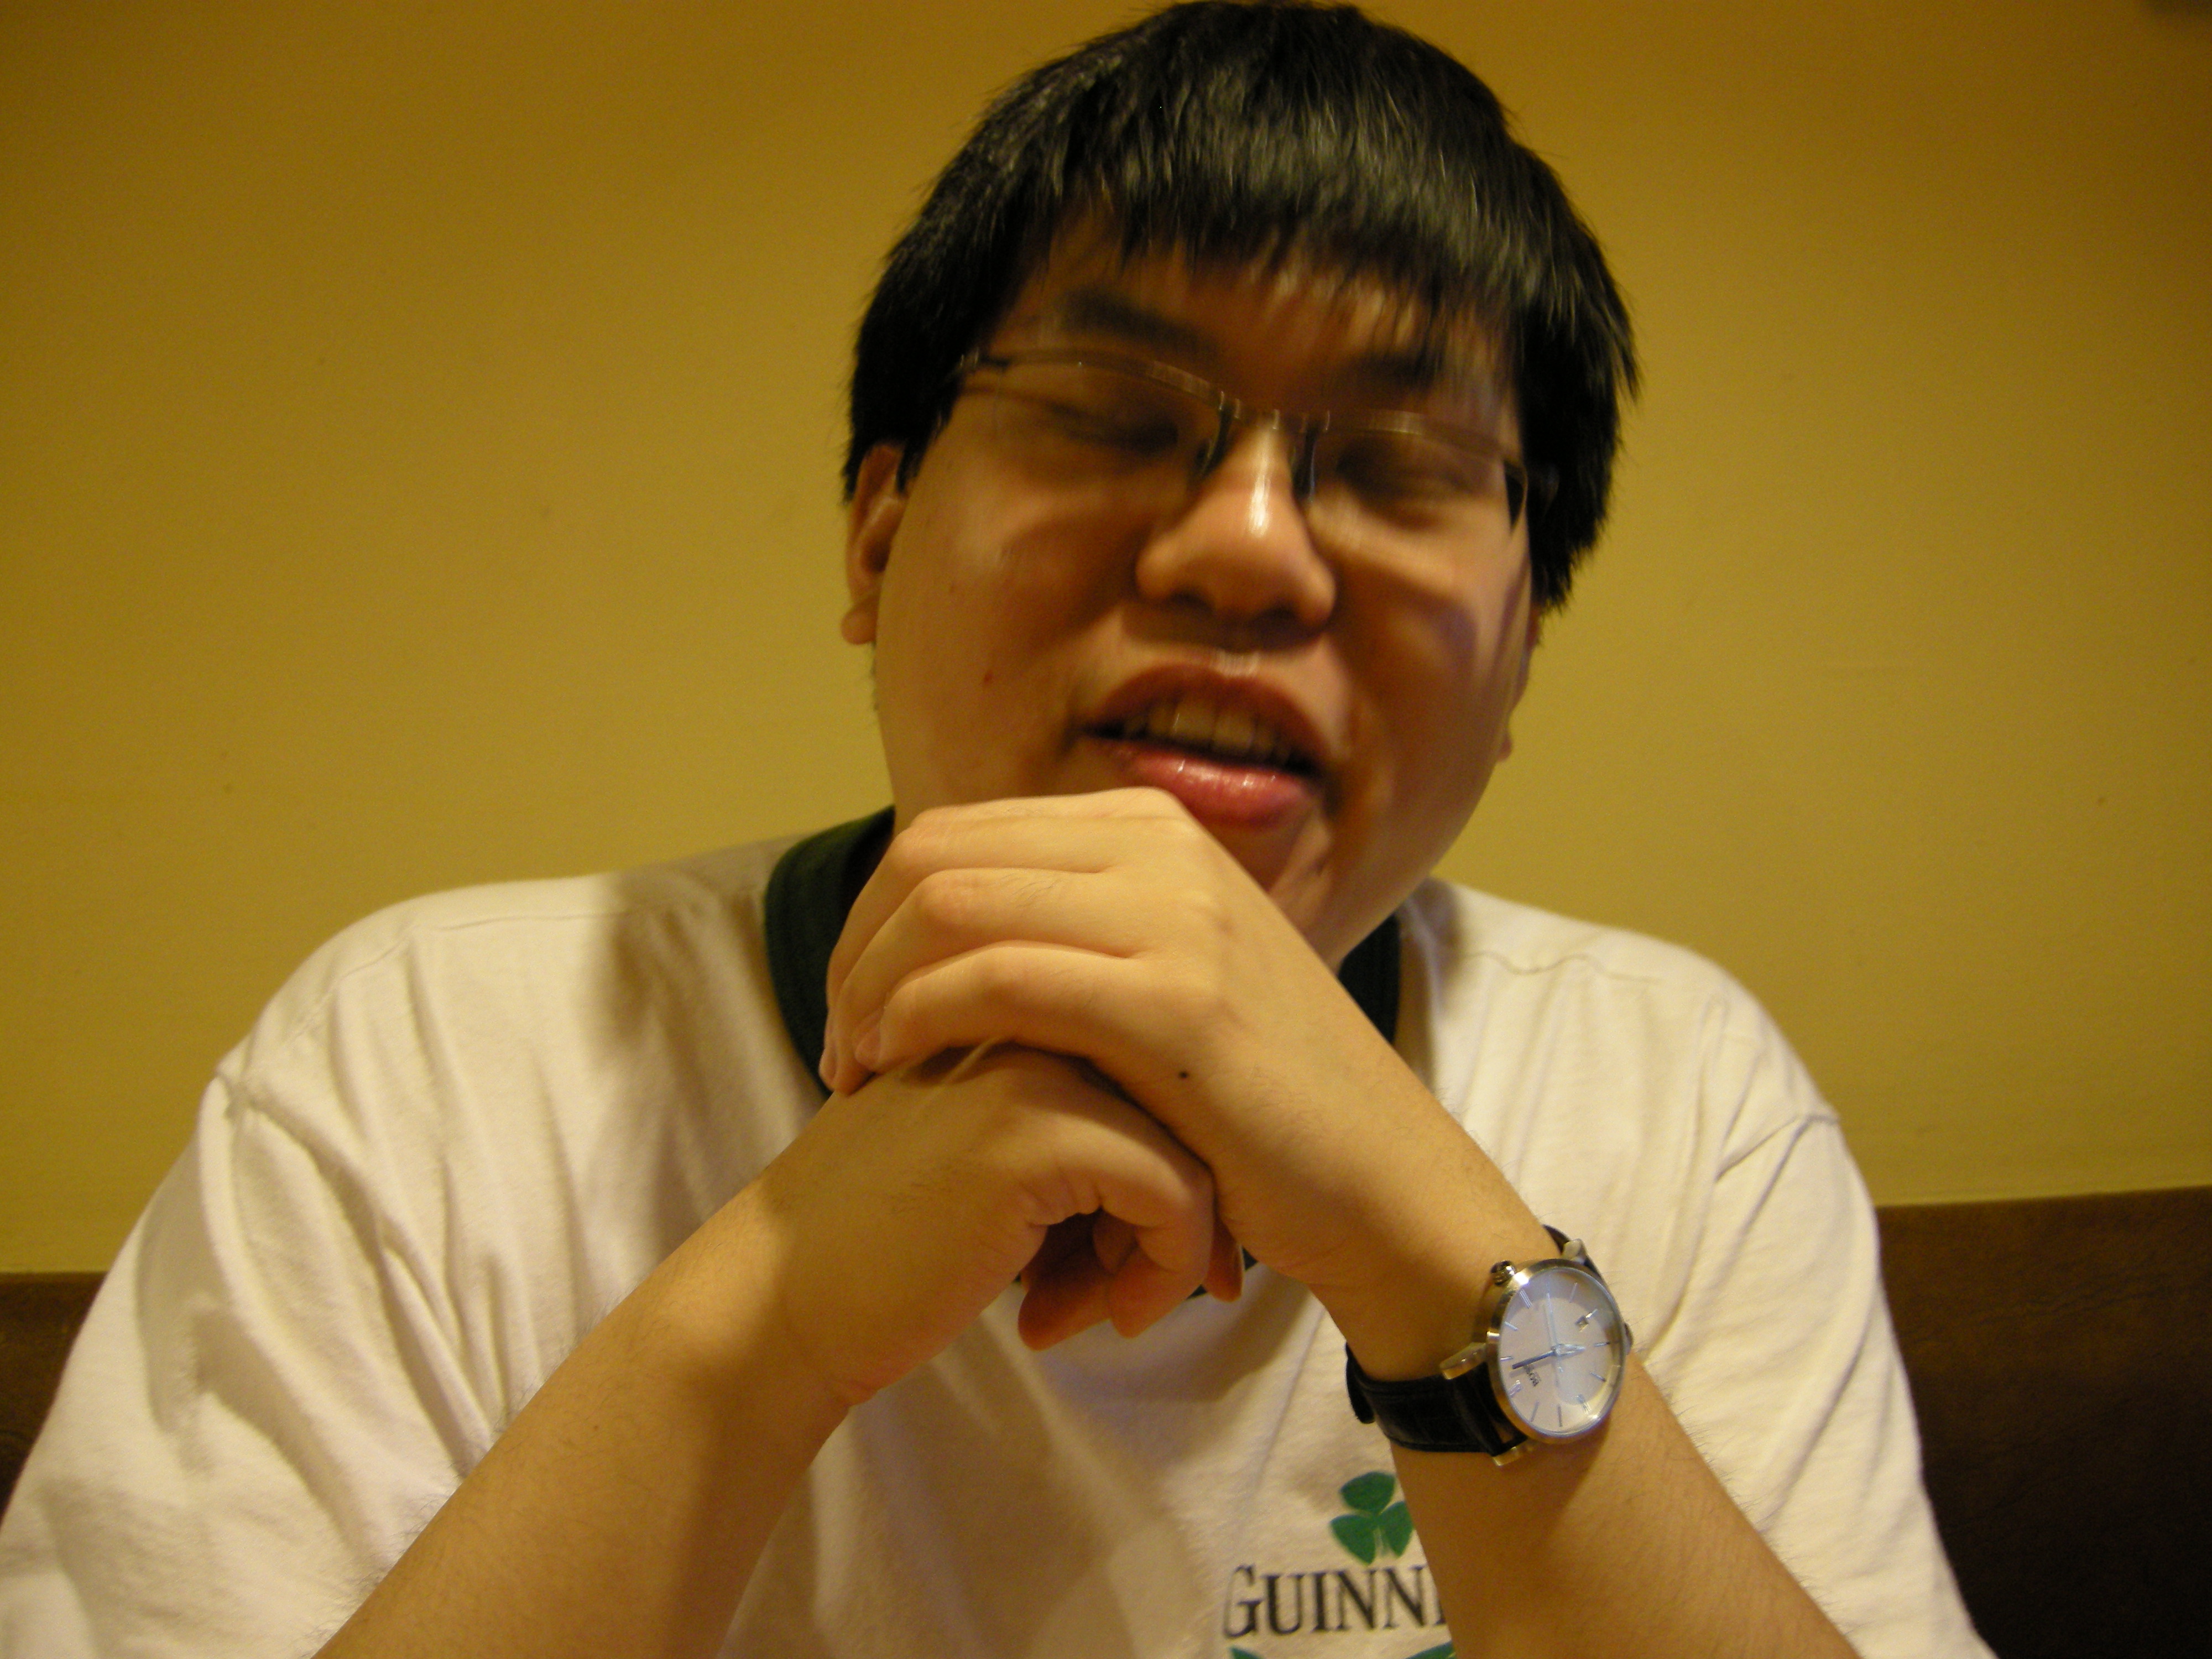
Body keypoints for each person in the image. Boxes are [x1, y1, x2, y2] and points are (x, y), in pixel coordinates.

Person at [0, 4, 1989, 1656]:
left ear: (1521, 648)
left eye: (1399, 467)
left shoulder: (1678, 1096)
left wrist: (1425, 1243)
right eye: (1115, 414)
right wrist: (768, 1319)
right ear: (878, 538)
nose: (1249, 549)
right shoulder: (427, 1069)